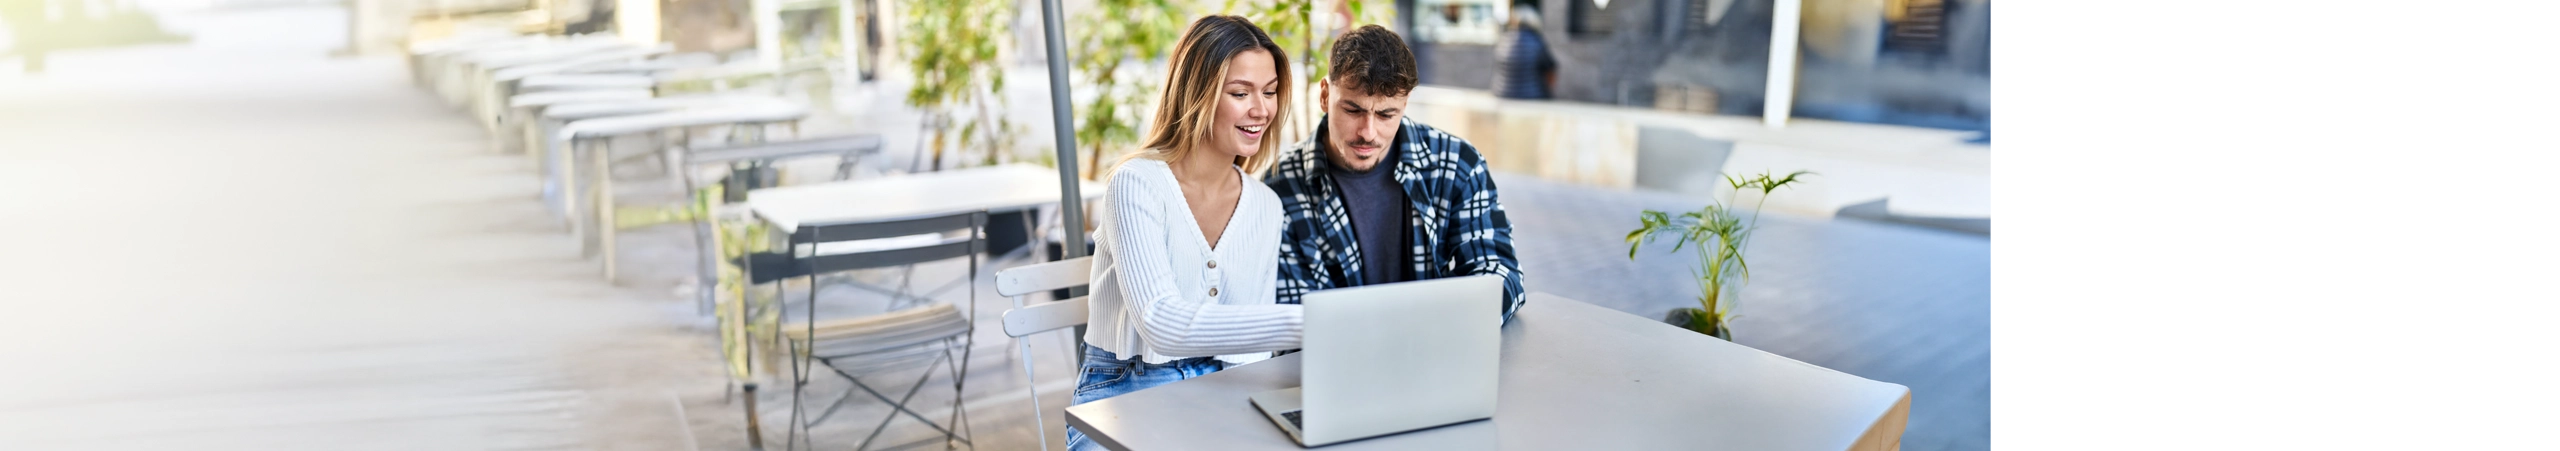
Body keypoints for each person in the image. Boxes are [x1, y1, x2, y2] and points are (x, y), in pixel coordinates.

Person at [1064, 15, 1300, 451]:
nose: (1261, 109)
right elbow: (1161, 324)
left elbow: (1251, 354)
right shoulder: (1135, 183)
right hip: (1125, 392)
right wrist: (1308, 322)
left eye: (1269, 92)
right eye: (1240, 92)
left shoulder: (1266, 206)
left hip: (1227, 391)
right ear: (1198, 94)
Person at [1266, 25, 1528, 325]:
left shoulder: (1457, 165)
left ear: (1405, 105)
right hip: (1344, 365)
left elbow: (1500, 276)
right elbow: (1292, 317)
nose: (1368, 132)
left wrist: (1437, 329)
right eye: (1353, 110)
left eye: (1386, 114)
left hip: (1439, 353)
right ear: (1325, 95)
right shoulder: (1281, 186)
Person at [1490, 4, 1557, 99]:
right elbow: (1550, 67)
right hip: (1531, 95)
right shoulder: (1536, 41)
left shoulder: (1505, 38)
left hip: (1501, 92)